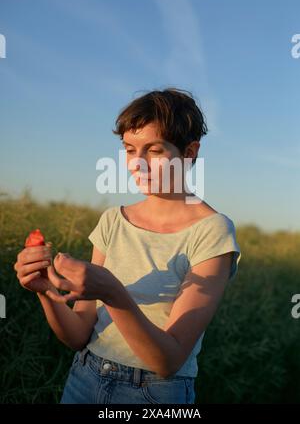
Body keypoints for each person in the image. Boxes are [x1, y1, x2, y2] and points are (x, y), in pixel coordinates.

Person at [14, 87, 242, 404]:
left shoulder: (212, 231)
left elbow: (168, 361)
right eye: (130, 149)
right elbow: (79, 334)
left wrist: (112, 293)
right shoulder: (112, 220)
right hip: (84, 377)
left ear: (189, 152)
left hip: (154, 393)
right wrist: (46, 291)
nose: (138, 163)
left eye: (155, 150)